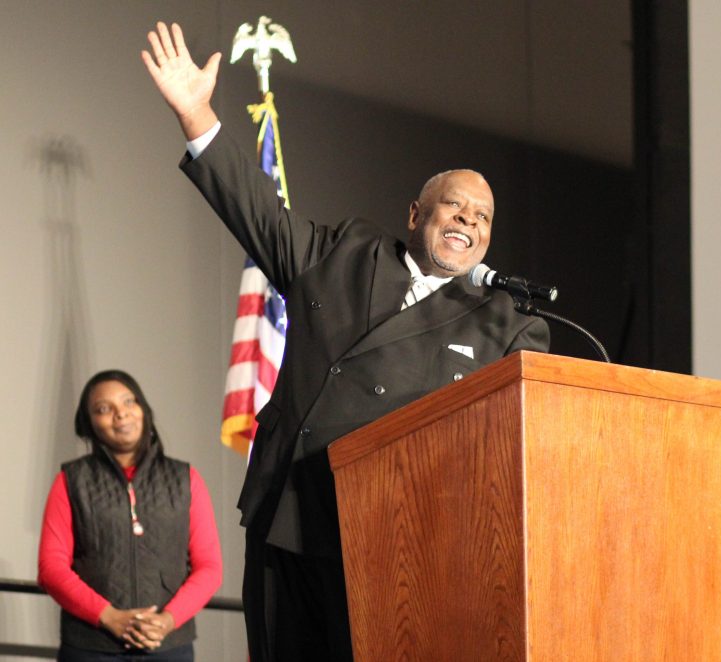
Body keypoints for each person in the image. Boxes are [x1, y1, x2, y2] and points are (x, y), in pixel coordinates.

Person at [141, 21, 550, 662]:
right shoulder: (343, 253)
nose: (469, 221)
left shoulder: (506, 324)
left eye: (483, 217)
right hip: (288, 518)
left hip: (396, 539)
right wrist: (198, 115)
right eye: (455, 206)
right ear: (416, 215)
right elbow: (258, 212)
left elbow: (531, 436)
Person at [38, 370, 223, 661]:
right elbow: (51, 568)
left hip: (168, 647)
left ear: (143, 410)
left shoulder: (186, 479)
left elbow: (209, 567)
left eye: (128, 402)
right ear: (89, 424)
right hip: (91, 646)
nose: (120, 415)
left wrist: (167, 621)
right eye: (103, 409)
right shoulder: (70, 480)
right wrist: (109, 617)